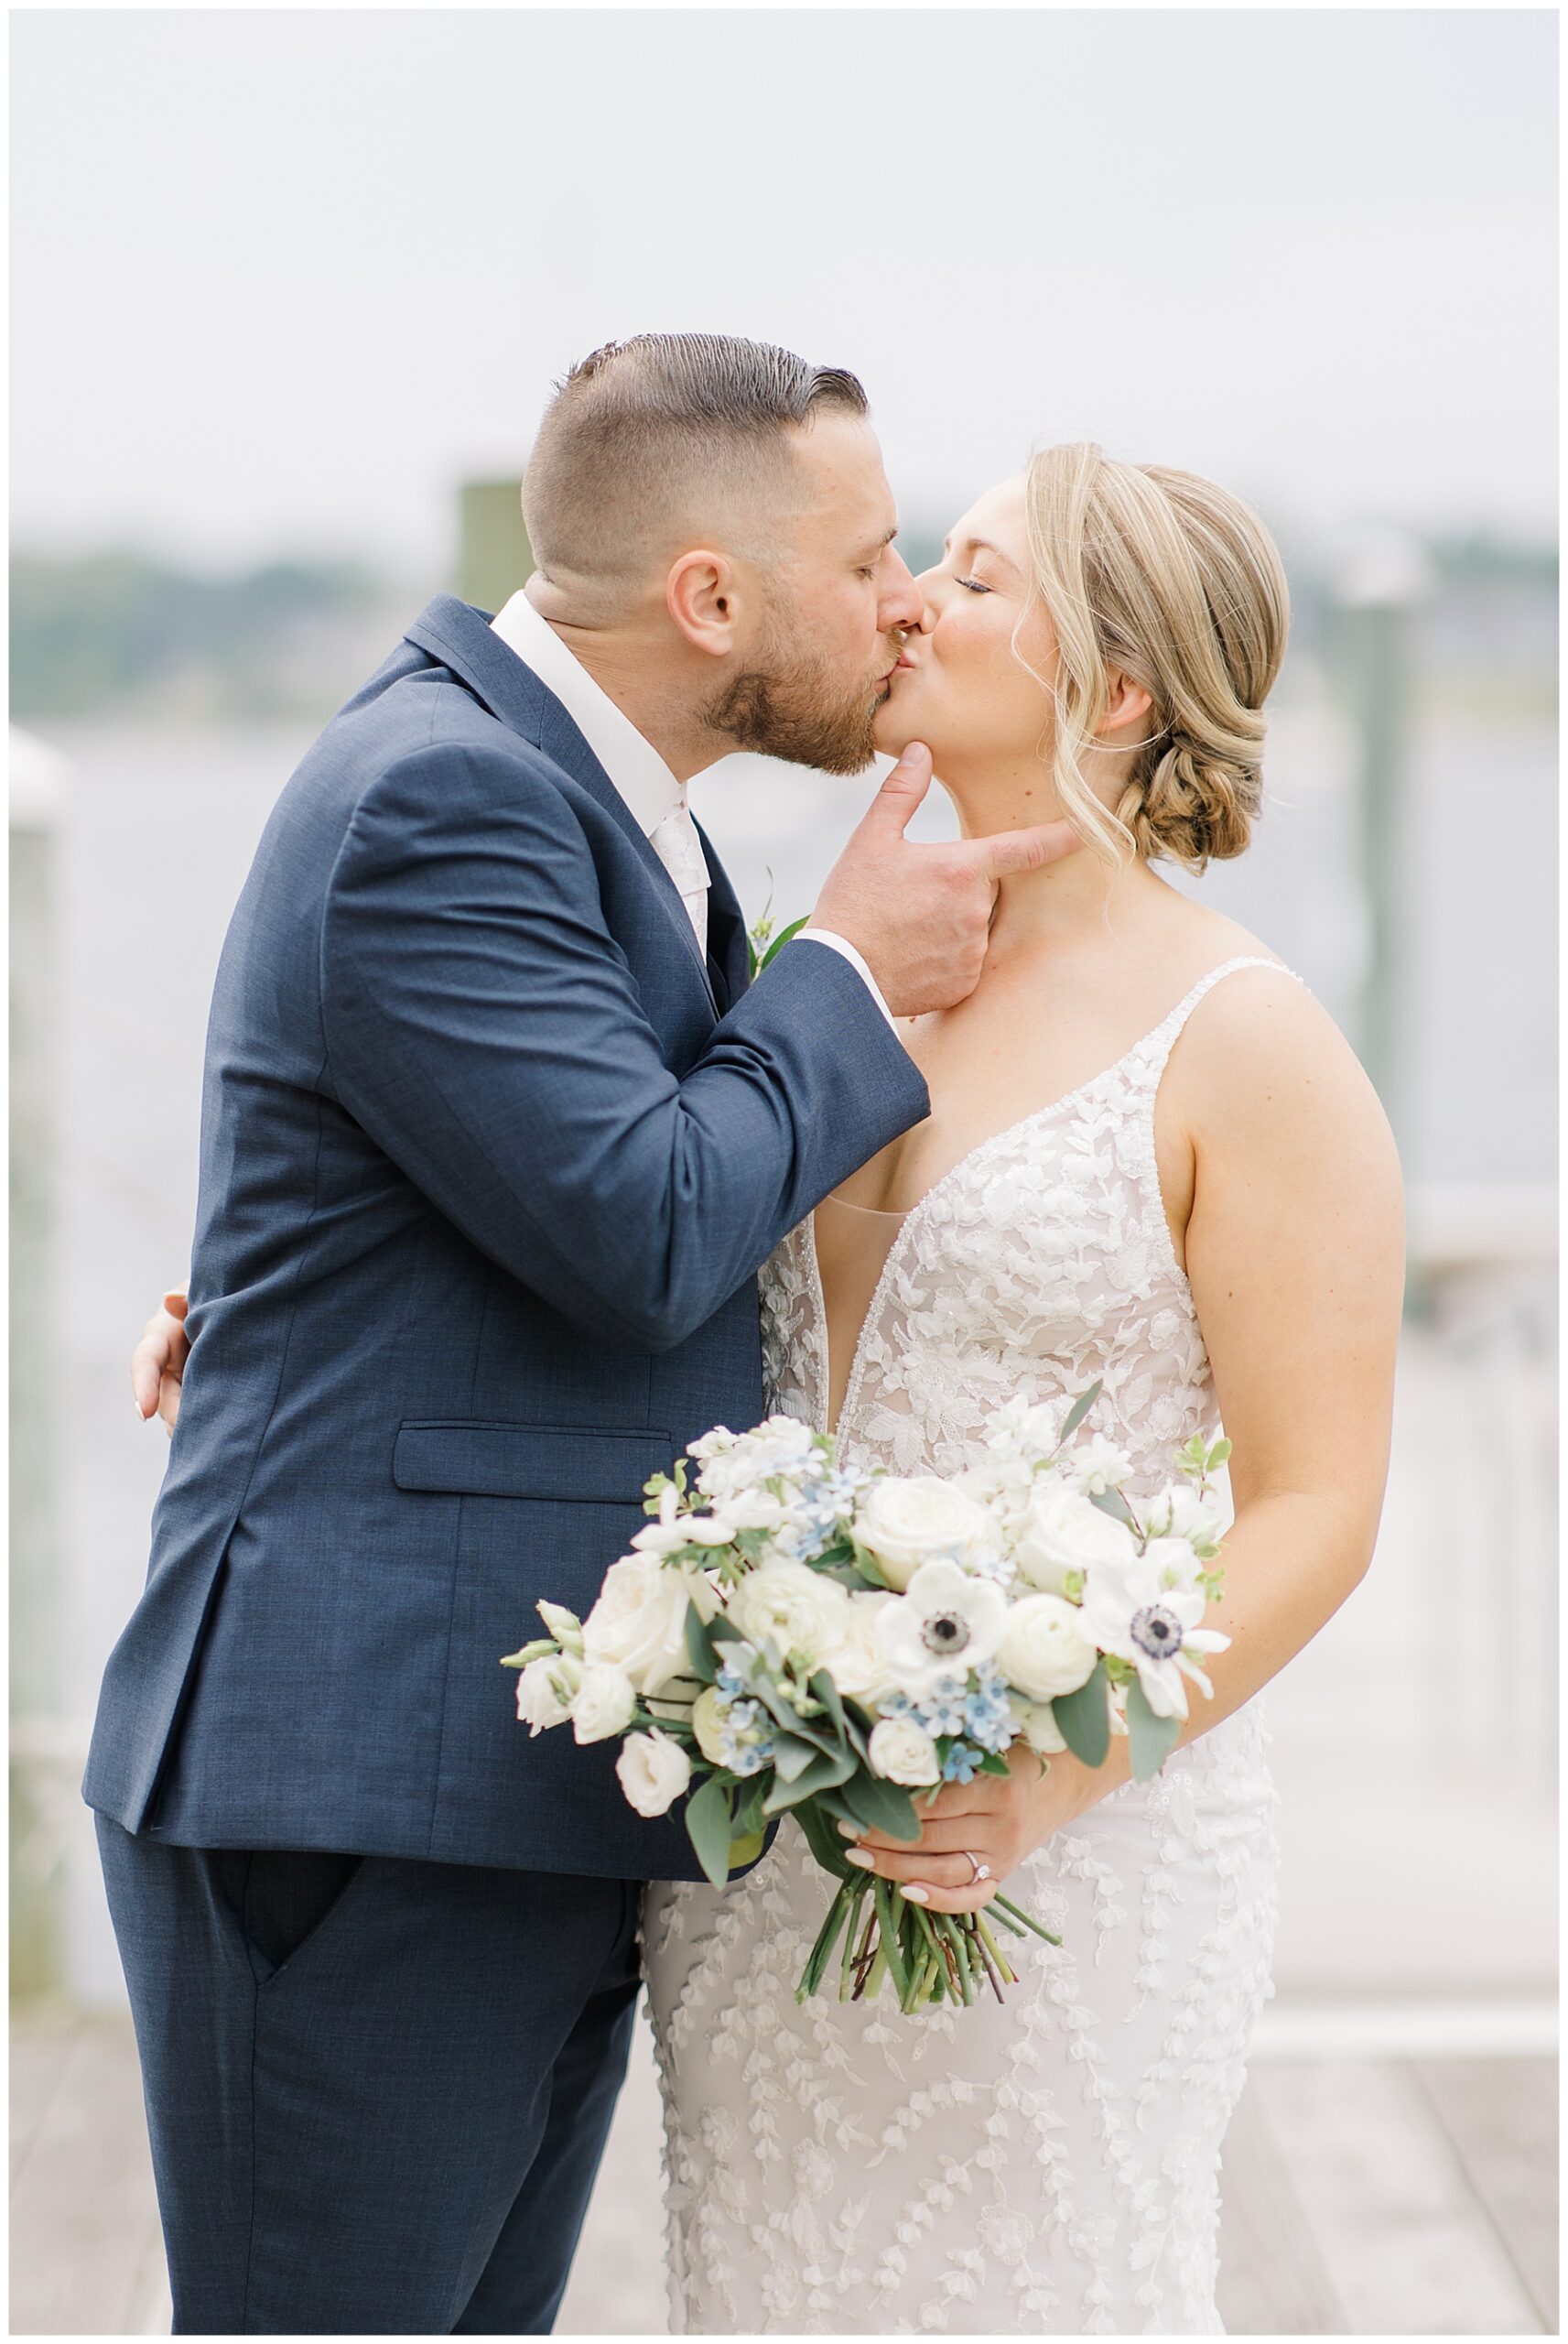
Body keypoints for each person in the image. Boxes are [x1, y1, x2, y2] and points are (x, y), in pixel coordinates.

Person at [90, 332, 1080, 2337]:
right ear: (707, 597)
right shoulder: (445, 791)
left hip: (490, 1766)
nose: (899, 598)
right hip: (359, 1776)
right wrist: (849, 977)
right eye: (869, 550)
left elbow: (488, 1184)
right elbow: (638, 1220)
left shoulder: (592, 793)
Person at [638, 445, 1403, 2332]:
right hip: (768, 1859)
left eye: (967, 577)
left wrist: (1055, 1772)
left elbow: (1317, 1501)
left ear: (1114, 687)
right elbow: (607, 1222)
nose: (902, 598)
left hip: (1074, 1858)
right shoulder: (812, 983)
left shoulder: (1244, 1040)